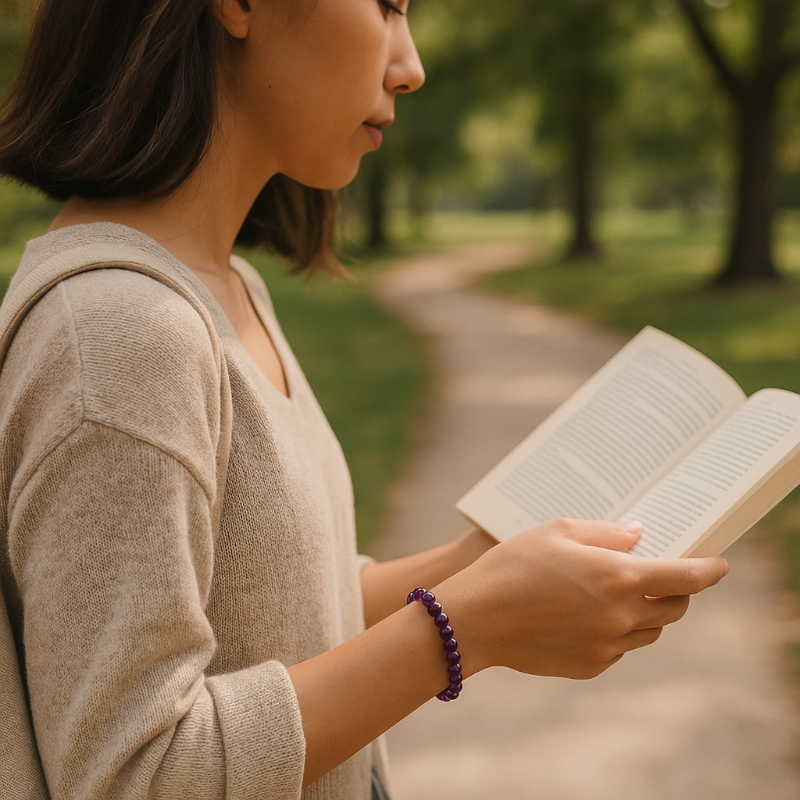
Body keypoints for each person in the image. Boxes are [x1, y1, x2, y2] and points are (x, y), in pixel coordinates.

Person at [0, 1, 729, 798]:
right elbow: (135, 772)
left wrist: (469, 570)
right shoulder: (122, 335)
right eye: (385, 5)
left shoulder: (221, 287)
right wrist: (461, 628)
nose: (410, 64)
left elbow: (262, 605)